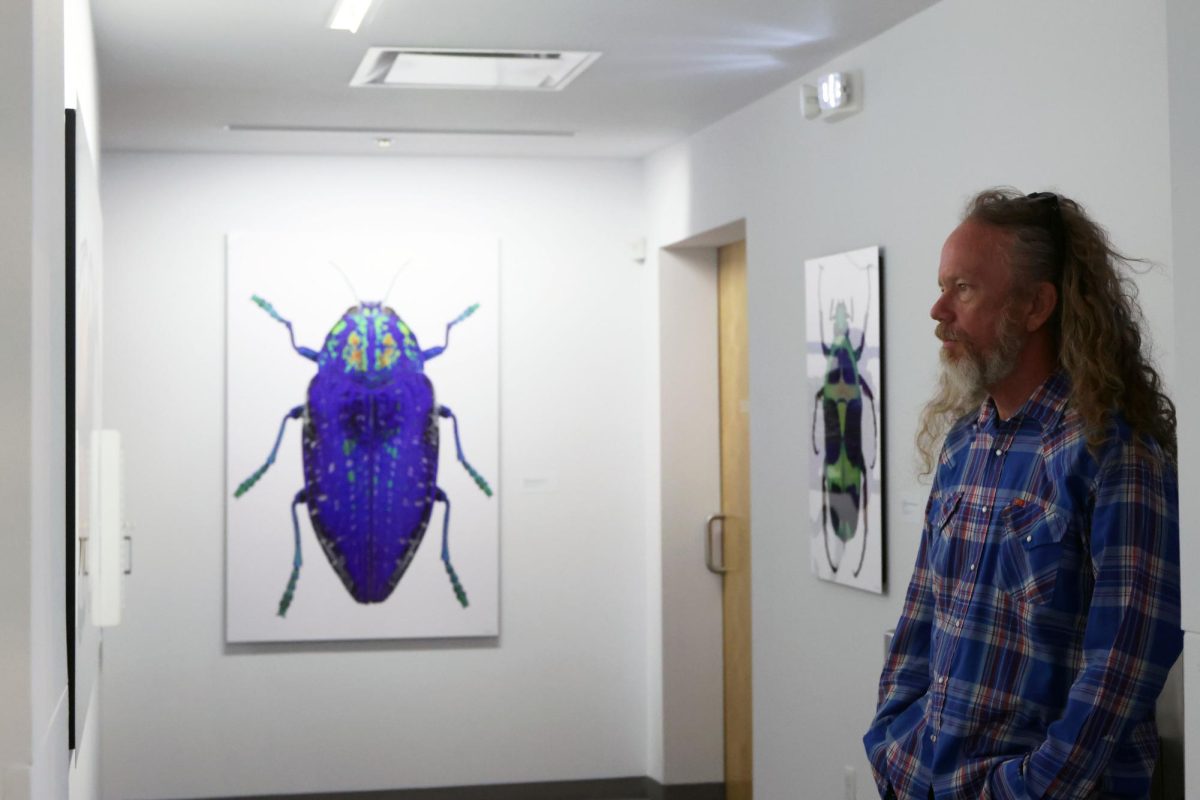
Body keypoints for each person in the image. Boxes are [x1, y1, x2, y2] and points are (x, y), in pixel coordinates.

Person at [863, 188, 1181, 800]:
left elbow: (1123, 669)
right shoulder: (964, 446)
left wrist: (1024, 790)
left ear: (1035, 305)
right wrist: (891, 748)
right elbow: (920, 623)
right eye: (942, 285)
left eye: (963, 289)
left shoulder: (1115, 454)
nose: (937, 310)